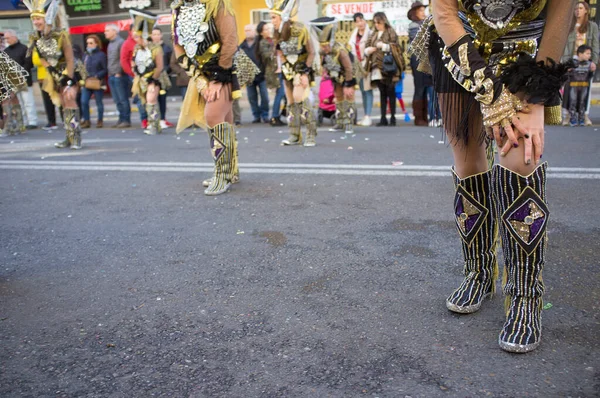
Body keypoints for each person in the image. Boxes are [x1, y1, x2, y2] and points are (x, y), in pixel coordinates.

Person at [411, 0, 574, 352]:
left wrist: (533, 96)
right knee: (467, 162)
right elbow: (444, 11)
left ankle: (525, 295)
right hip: (458, 48)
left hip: (526, 53)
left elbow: (561, 11)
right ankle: (479, 272)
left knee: (521, 160)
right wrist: (491, 93)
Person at [172, 0, 257, 195]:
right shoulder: (178, 9)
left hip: (224, 67)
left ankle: (222, 175)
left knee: (213, 117)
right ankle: (230, 171)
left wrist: (218, 77)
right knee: (224, 120)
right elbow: (178, 47)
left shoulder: (218, 4)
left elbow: (230, 40)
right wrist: (199, 79)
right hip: (201, 72)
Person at [25, 0, 84, 149]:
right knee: (63, 104)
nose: (36, 22)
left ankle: (75, 138)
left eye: (38, 18)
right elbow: (41, 57)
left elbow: (70, 59)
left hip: (70, 71)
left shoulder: (60, 34)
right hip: (54, 72)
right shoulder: (35, 37)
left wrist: (68, 79)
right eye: (34, 19)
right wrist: (50, 70)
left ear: (47, 18)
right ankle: (68, 137)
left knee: (70, 100)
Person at [268, 0, 318, 146]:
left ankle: (310, 133)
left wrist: (303, 72)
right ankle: (294, 135)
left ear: (283, 17)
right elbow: (279, 51)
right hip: (287, 70)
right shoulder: (276, 32)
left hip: (302, 68)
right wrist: (284, 65)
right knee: (290, 102)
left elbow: (311, 52)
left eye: (273, 18)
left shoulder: (300, 29)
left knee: (299, 97)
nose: (272, 21)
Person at [310, 17, 356, 135]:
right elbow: (325, 67)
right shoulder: (322, 53)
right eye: (322, 46)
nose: (324, 48)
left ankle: (349, 123)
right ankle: (340, 122)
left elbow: (349, 68)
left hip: (350, 72)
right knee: (339, 97)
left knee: (348, 97)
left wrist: (348, 84)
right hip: (336, 76)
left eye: (326, 46)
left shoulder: (339, 50)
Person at [130, 10, 170, 135]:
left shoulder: (156, 48)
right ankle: (153, 124)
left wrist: (153, 80)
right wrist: (135, 70)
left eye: (138, 36)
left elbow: (159, 66)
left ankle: (154, 125)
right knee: (146, 102)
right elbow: (133, 62)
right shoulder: (136, 48)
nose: (136, 39)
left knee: (151, 99)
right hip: (140, 79)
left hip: (154, 78)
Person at [561, 1, 598, 126]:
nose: (578, 11)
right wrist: (566, 63)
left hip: (586, 60)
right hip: (573, 59)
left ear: (586, 10)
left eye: (581, 8)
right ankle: (566, 116)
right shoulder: (569, 25)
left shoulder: (592, 26)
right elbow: (565, 45)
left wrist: (593, 61)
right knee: (568, 89)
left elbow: (595, 45)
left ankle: (585, 115)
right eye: (576, 8)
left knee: (585, 89)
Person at [364, 12, 405, 127]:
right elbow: (366, 46)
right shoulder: (373, 34)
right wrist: (368, 50)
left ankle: (392, 118)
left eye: (379, 22)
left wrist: (384, 46)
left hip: (389, 67)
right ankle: (383, 118)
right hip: (376, 68)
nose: (376, 25)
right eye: (375, 22)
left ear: (384, 21)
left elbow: (397, 47)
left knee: (391, 92)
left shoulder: (390, 31)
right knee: (382, 93)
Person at [3, 30, 37, 129]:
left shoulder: (24, 48)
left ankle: (32, 121)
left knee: (28, 101)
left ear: (14, 37)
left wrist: (20, 74)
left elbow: (28, 63)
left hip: (24, 79)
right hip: (12, 81)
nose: (6, 40)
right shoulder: (6, 51)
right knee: (18, 102)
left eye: (8, 38)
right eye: (5, 38)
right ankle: (22, 121)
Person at [256, 22, 285, 126]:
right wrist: (275, 47)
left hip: (281, 69)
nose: (269, 31)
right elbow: (267, 56)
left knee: (284, 94)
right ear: (261, 33)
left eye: (269, 28)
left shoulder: (273, 40)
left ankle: (279, 114)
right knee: (280, 93)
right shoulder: (263, 43)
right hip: (273, 72)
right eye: (266, 29)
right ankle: (275, 116)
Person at [240, 24, 269, 124]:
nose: (248, 32)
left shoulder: (260, 42)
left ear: (254, 31)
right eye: (246, 30)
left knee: (264, 96)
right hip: (249, 76)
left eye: (250, 30)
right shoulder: (242, 46)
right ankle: (256, 116)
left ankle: (265, 115)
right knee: (252, 98)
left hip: (262, 75)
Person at [121, 24, 148, 129]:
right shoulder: (127, 44)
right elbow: (124, 61)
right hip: (135, 76)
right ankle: (144, 119)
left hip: (147, 74)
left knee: (150, 98)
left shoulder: (145, 41)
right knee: (140, 98)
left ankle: (153, 118)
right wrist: (132, 74)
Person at [348, 12, 373, 127]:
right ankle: (365, 116)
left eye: (361, 20)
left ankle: (368, 116)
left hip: (368, 64)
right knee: (363, 90)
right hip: (357, 66)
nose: (360, 23)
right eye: (357, 21)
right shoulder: (354, 35)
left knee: (368, 90)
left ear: (365, 20)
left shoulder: (370, 33)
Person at [105, 24, 131, 128]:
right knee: (117, 99)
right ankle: (121, 118)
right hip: (111, 75)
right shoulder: (110, 44)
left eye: (107, 30)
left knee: (122, 98)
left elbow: (123, 59)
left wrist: (119, 72)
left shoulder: (121, 42)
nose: (105, 32)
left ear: (114, 31)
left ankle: (126, 119)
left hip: (119, 75)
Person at [407, 1, 430, 126]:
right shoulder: (414, 26)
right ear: (414, 13)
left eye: (423, 10)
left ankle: (425, 116)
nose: (423, 13)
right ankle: (419, 117)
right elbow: (420, 42)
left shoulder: (423, 24)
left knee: (426, 87)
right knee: (420, 88)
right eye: (420, 11)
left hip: (426, 60)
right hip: (417, 60)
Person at [80, 34, 107, 129]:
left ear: (96, 44)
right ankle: (86, 120)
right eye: (87, 43)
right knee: (84, 101)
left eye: (91, 43)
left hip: (97, 82)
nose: (89, 45)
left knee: (99, 102)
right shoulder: (86, 55)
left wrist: (97, 76)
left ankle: (100, 120)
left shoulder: (101, 55)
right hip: (87, 82)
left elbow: (105, 69)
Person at [0, 50, 29, 136]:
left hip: (8, 80)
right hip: (9, 80)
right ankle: (18, 126)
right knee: (12, 101)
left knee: (7, 101)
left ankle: (8, 127)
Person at [151, 27, 174, 129]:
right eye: (154, 34)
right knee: (152, 99)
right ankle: (153, 119)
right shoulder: (149, 48)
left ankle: (162, 119)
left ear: (161, 35)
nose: (156, 36)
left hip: (163, 79)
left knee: (162, 99)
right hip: (152, 78)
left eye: (157, 34)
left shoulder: (167, 48)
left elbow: (171, 63)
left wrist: (165, 71)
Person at [568, 44, 594, 126]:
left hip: (584, 85)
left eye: (590, 54)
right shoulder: (573, 63)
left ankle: (581, 119)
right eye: (587, 53)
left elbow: (590, 75)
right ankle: (572, 118)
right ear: (580, 54)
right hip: (574, 85)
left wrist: (592, 71)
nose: (589, 56)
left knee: (582, 102)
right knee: (573, 101)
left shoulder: (589, 64)